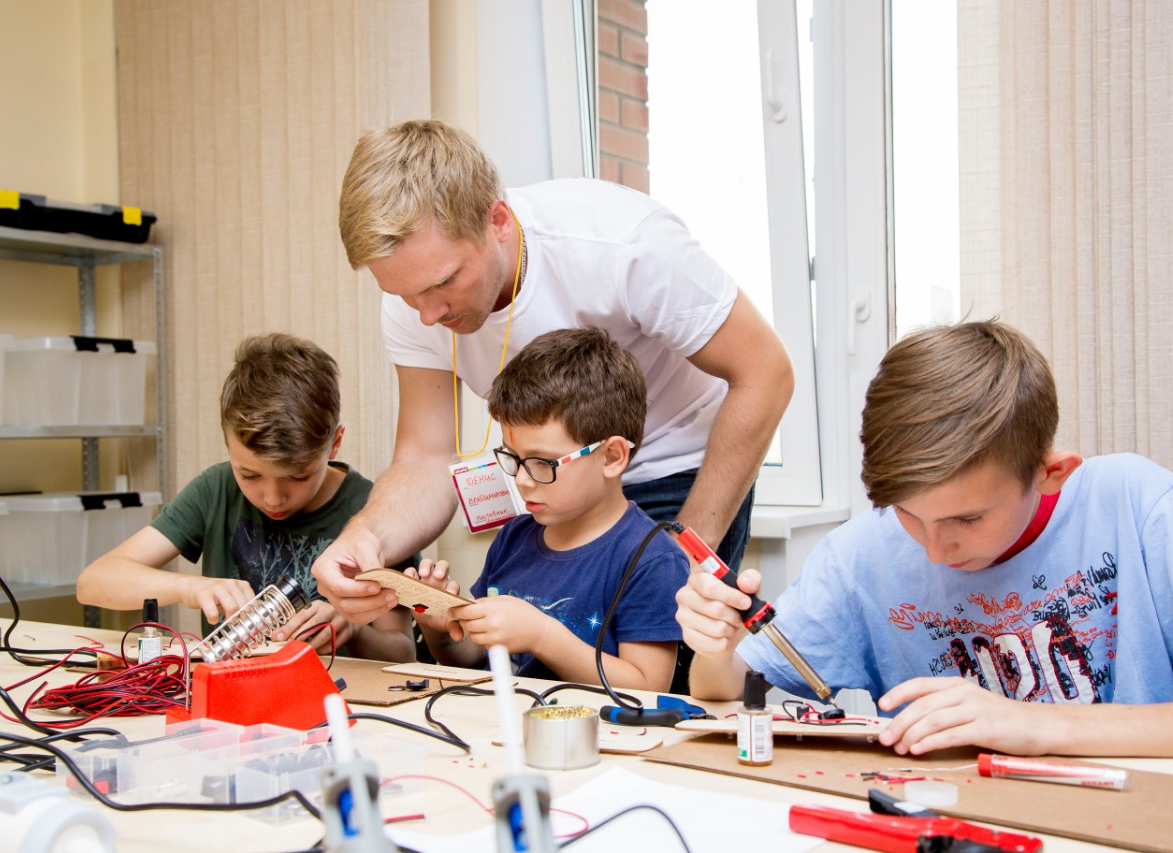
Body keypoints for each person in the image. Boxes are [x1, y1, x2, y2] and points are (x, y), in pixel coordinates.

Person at [313, 117, 793, 632]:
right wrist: (365, 537)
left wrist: (685, 554)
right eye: (403, 294)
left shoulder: (623, 245)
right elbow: (425, 457)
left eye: (444, 282)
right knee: (542, 659)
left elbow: (765, 373)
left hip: (672, 467)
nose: (427, 315)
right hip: (553, 479)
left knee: (655, 656)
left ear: (498, 220)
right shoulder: (416, 298)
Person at [676, 320, 1173, 757]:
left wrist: (1033, 724)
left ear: (1050, 473)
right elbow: (722, 692)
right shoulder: (860, 555)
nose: (936, 551)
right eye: (908, 514)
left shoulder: (1139, 507)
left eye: (968, 519)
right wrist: (716, 648)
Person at [76, 333, 415, 662]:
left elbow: (403, 652)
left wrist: (353, 631)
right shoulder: (216, 489)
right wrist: (190, 588)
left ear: (335, 443)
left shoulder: (375, 512)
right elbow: (94, 582)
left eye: (298, 476)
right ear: (228, 443)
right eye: (250, 475)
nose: (273, 498)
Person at [409, 328, 689, 690]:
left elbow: (648, 689)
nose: (522, 480)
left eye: (543, 463)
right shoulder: (514, 538)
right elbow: (475, 660)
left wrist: (541, 634)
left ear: (611, 457)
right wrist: (441, 627)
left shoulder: (652, 560)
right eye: (513, 458)